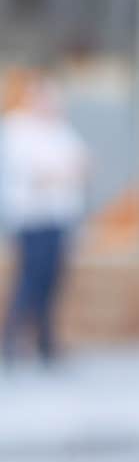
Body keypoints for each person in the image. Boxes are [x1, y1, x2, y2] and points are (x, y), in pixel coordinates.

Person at [1, 69, 89, 369]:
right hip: (31, 218)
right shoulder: (16, 129)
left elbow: (82, 163)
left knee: (53, 281)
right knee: (30, 280)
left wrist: (62, 173)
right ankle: (10, 341)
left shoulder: (58, 129)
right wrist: (61, 173)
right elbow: (36, 174)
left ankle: (45, 344)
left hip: (60, 216)